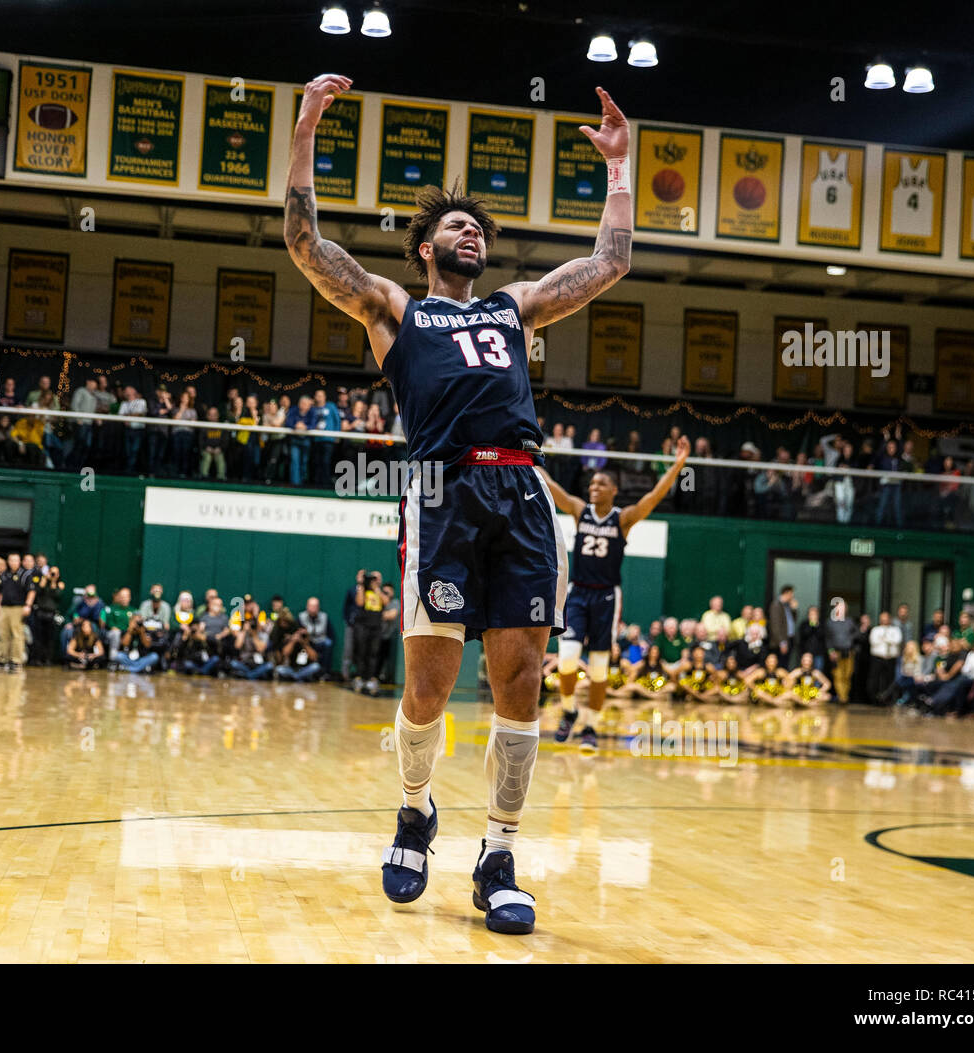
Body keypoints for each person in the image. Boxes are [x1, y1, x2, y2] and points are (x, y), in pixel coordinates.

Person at [285, 74, 634, 935]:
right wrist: (303, 132)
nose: (470, 228)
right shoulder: (394, 310)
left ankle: (500, 855)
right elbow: (304, 241)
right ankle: (415, 811)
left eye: (477, 223)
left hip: (519, 488)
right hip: (439, 487)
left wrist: (620, 170)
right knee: (429, 688)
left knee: (520, 682)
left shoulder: (515, 310)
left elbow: (608, 264)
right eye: (454, 223)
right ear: (427, 249)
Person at [538, 437, 690, 751]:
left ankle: (591, 727)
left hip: (606, 597)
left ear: (613, 490)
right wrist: (531, 459)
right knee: (566, 660)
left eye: (600, 484)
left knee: (597, 667)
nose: (593, 487)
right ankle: (569, 709)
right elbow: (553, 488)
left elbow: (653, 496)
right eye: (592, 483)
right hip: (577, 594)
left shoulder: (623, 519)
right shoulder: (581, 511)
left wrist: (677, 466)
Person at [768, 585, 797, 665]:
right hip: (780, 641)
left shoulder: (788, 606)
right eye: (792, 594)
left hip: (789, 638)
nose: (792, 596)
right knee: (781, 664)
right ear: (787, 593)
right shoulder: (776, 605)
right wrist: (782, 642)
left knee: (786, 663)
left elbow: (793, 621)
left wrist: (794, 609)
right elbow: (775, 626)